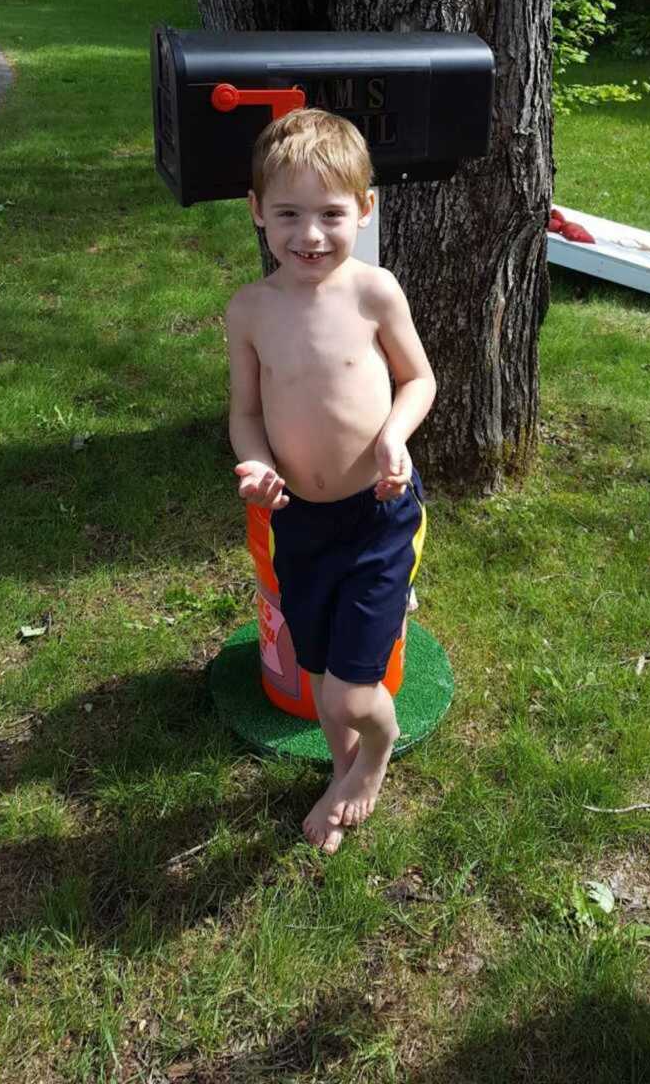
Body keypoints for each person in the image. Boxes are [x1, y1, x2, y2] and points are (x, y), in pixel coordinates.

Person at [225, 108, 436, 854]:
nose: (309, 236)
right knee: (316, 670)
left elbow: (419, 380)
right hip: (298, 523)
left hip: (376, 517)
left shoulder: (375, 292)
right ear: (256, 212)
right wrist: (256, 464)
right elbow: (246, 413)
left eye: (330, 215)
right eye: (287, 214)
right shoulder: (250, 311)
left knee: (353, 690)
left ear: (365, 210)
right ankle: (342, 770)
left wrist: (393, 438)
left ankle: (373, 756)